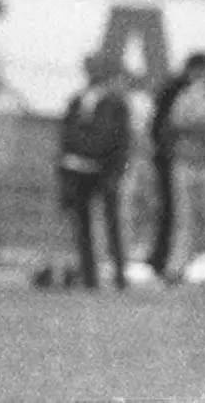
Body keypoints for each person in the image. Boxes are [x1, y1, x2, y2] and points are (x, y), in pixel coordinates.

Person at [55, 52, 132, 291]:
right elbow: (66, 134)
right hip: (78, 169)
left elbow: (117, 140)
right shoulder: (78, 100)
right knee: (82, 224)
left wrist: (114, 170)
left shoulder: (115, 103)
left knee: (111, 223)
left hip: (104, 169)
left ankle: (118, 273)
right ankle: (89, 275)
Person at [165, 51, 205, 285]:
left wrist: (200, 126)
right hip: (186, 162)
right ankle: (177, 267)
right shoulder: (187, 95)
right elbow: (179, 122)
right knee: (185, 218)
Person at [145, 56, 195, 278]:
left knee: (170, 209)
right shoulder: (178, 92)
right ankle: (163, 258)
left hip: (168, 156)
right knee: (173, 209)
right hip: (172, 157)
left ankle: (163, 256)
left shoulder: (171, 91)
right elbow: (165, 127)